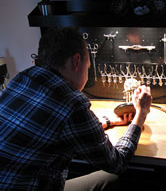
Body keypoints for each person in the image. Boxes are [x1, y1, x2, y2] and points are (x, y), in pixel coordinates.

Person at [0, 27, 152, 191]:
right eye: (88, 66)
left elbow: (48, 127)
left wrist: (108, 122)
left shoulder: (23, 77)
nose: (88, 70)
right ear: (76, 61)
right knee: (111, 177)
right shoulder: (72, 102)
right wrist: (141, 114)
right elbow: (116, 162)